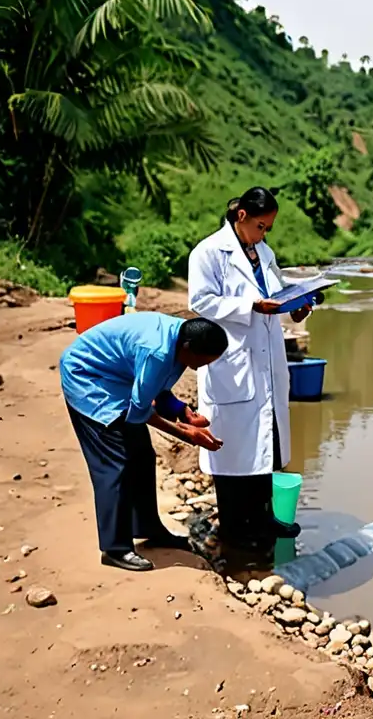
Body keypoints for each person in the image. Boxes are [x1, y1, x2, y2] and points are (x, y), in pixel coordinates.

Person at [187, 186, 316, 549]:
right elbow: (200, 300)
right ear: (241, 216)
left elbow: (278, 292)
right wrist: (250, 307)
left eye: (268, 229)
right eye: (261, 226)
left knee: (267, 444)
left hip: (266, 361)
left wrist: (297, 306)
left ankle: (264, 518)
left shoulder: (263, 251)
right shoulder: (209, 253)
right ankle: (234, 528)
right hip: (232, 360)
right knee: (233, 454)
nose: (264, 234)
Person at [60, 313, 228, 571]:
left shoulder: (180, 338)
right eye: (201, 361)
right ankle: (115, 548)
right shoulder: (157, 352)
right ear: (188, 348)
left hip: (116, 378)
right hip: (88, 380)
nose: (200, 367)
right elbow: (139, 410)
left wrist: (182, 410)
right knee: (115, 464)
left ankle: (147, 526)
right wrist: (184, 434)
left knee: (141, 455)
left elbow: (156, 386)